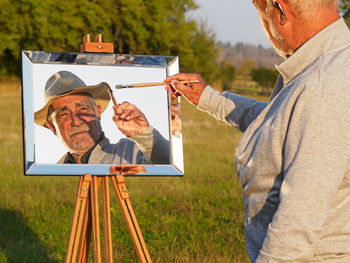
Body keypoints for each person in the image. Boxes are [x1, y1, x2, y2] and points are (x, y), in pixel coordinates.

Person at [165, 0, 350, 262]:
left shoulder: (322, 86)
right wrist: (209, 98)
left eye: (259, 11)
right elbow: (280, 124)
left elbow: (297, 225)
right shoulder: (329, 61)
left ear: (280, 11)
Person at [34, 70, 169, 165]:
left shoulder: (131, 152)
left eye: (83, 109)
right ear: (52, 127)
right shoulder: (56, 172)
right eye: (64, 114)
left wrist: (144, 136)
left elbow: (169, 164)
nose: (76, 121)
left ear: (97, 112)